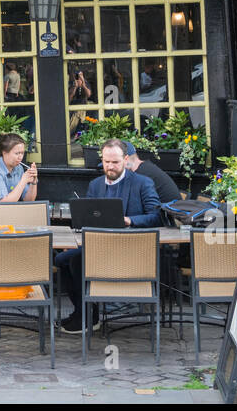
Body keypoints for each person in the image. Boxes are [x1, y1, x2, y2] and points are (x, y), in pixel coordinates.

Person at [55, 138, 161, 333]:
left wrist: (129, 220)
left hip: (131, 249)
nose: (110, 167)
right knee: (61, 259)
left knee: (77, 261)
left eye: (115, 162)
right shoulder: (95, 184)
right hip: (99, 245)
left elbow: (156, 216)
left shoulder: (143, 183)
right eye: (106, 162)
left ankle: (87, 316)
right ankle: (85, 312)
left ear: (126, 160)